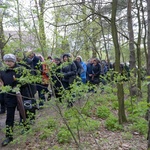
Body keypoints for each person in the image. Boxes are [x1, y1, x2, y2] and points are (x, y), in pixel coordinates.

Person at [0, 53, 33, 146]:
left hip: (21, 94)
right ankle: (9, 136)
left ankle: (26, 127)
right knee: (9, 116)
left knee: (23, 112)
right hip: (9, 95)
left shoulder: (21, 69)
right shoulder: (2, 71)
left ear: (14, 61)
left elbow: (27, 82)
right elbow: (1, 82)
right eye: (6, 61)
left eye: (10, 61)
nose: (8, 63)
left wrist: (18, 81)